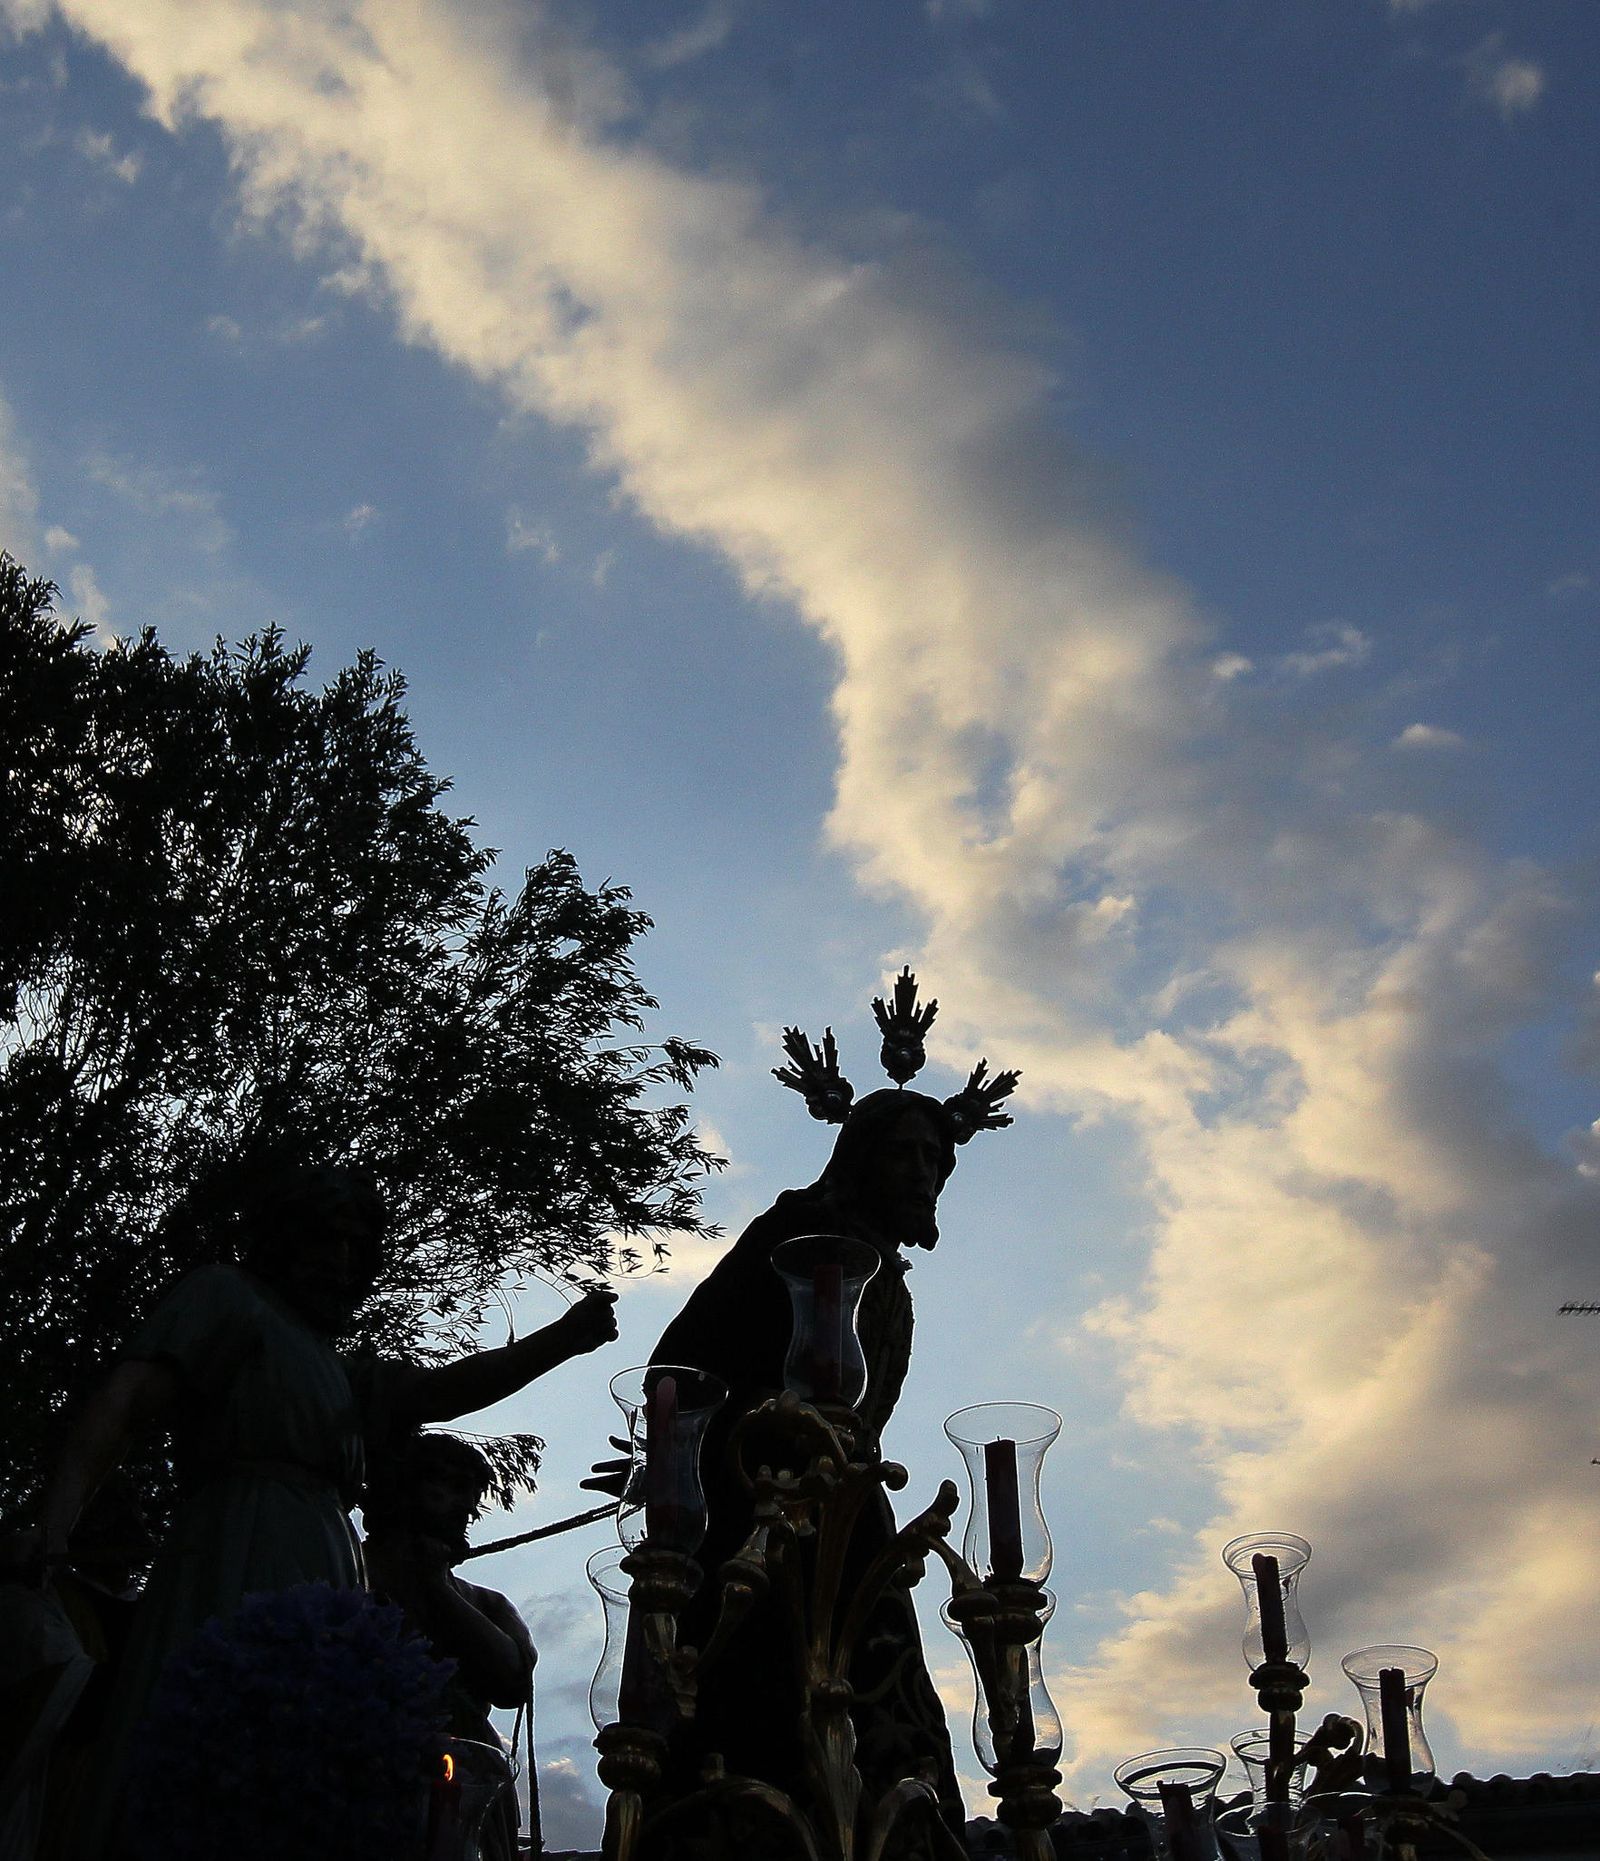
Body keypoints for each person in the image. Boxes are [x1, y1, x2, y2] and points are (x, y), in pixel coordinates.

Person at [21, 1163, 617, 1856]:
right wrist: (54, 1523)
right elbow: (124, 1403)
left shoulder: (341, 1371)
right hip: (236, 1552)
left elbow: (443, 1390)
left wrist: (562, 1339)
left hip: (328, 1580)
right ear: (281, 1240)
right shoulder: (228, 1299)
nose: (338, 1262)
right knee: (223, 1756)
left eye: (354, 1248)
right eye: (322, 1240)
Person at [362, 1431, 535, 1861]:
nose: (465, 1508)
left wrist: (437, 1585)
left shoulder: (486, 1603)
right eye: (447, 1485)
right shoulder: (345, 1578)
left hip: (463, 1788)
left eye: (471, 1495)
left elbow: (514, 1681)